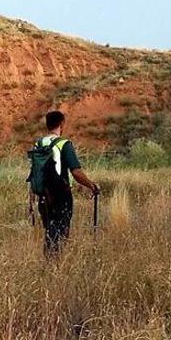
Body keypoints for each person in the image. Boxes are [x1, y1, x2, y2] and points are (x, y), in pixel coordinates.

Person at [31, 110, 99, 257]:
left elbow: (35, 171)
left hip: (43, 195)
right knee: (61, 232)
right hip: (61, 195)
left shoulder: (39, 144)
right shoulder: (64, 144)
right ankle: (56, 266)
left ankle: (50, 262)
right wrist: (91, 185)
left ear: (47, 125)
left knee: (50, 230)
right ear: (62, 123)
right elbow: (76, 172)